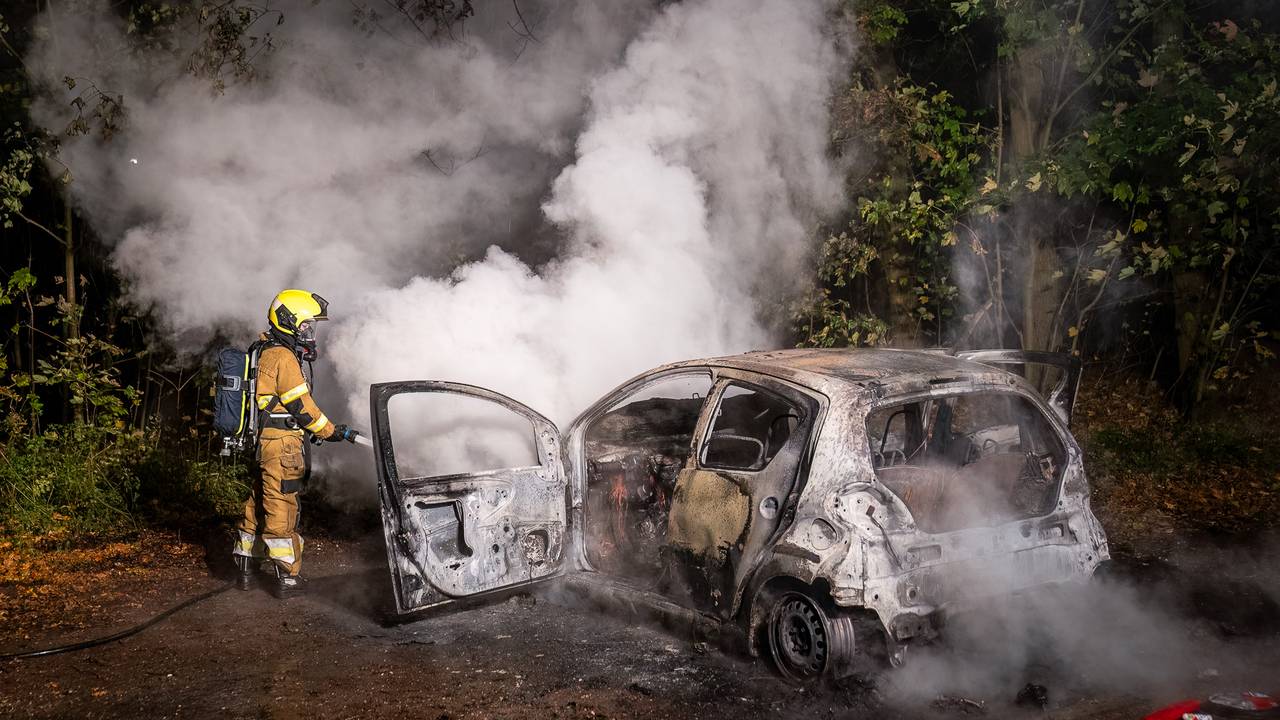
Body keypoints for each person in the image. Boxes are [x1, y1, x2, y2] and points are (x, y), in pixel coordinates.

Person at [232, 289, 358, 598]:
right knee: (281, 504)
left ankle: (245, 564)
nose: (309, 332)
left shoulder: (262, 349)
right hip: (282, 444)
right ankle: (287, 576)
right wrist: (329, 430)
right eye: (305, 325)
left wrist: (311, 428)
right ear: (288, 321)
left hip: (264, 439)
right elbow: (300, 405)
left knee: (259, 498)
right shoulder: (283, 356)